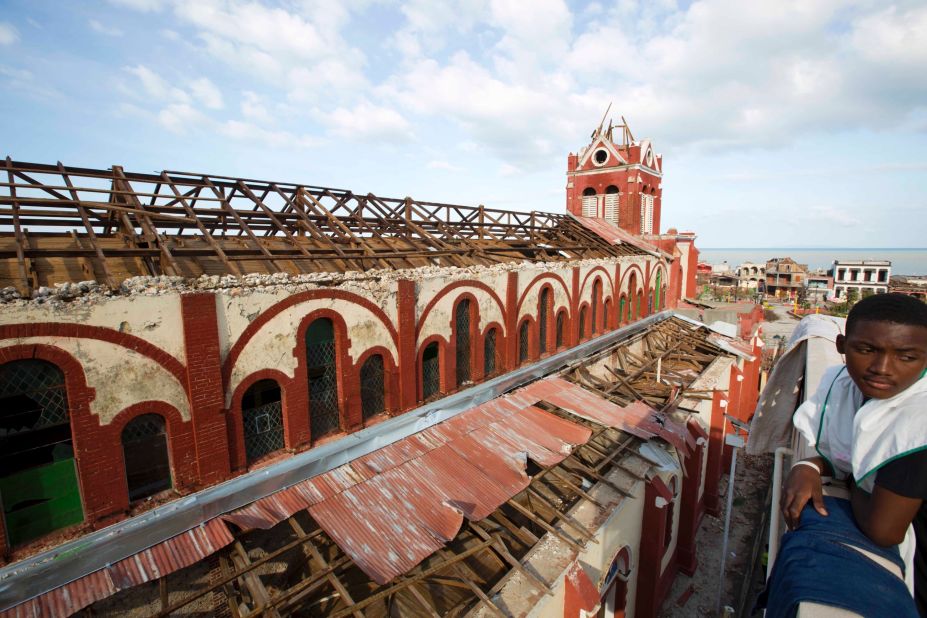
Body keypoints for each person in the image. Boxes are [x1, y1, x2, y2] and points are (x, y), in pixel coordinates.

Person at [782, 293, 927, 613]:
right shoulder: (845, 386)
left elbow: (883, 529)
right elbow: (842, 456)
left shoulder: (919, 421)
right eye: (866, 350)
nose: (882, 368)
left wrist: (850, 481)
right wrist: (808, 465)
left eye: (907, 357)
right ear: (840, 345)